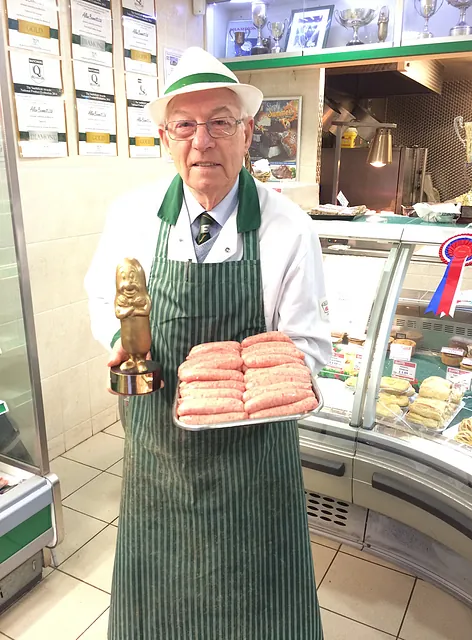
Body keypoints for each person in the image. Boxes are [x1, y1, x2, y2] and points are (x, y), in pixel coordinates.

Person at [85, 46, 331, 640]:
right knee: (161, 598)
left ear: (247, 133)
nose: (203, 142)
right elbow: (102, 298)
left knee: (258, 602)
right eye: (185, 126)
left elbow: (310, 343)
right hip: (159, 450)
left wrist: (271, 374)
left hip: (255, 461)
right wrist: (121, 339)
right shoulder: (131, 216)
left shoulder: (289, 228)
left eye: (221, 122)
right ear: (166, 138)